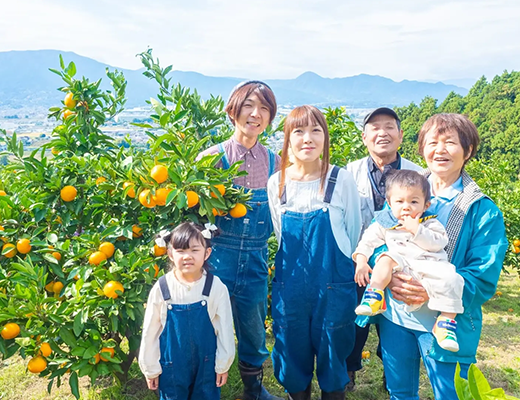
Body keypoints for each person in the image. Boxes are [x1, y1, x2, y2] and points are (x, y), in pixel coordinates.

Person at [380, 113, 508, 399]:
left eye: (449, 142)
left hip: (447, 323)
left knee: (450, 394)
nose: (439, 150)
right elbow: (381, 235)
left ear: (468, 151)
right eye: (432, 142)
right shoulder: (405, 191)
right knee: (399, 391)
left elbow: (482, 276)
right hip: (397, 317)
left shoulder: (481, 210)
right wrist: (386, 274)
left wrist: (430, 291)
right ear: (422, 148)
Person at [267, 105, 361, 400]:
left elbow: (353, 233)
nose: (307, 138)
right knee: (292, 355)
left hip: (333, 285)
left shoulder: (340, 180)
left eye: (315, 131)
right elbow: (281, 234)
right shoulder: (277, 183)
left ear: (325, 137)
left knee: (334, 357)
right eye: (299, 131)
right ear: (287, 139)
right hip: (290, 288)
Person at [198, 81, 283, 400]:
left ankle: (253, 390)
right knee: (207, 327)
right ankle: (206, 388)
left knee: (253, 329)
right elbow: (191, 216)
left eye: (264, 108)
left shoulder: (276, 163)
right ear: (233, 110)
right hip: (217, 257)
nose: (256, 114)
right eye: (249, 105)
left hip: (257, 260)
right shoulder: (212, 159)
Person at [345, 107, 422, 390]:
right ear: (364, 137)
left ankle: (394, 375)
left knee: (398, 324)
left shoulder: (417, 173)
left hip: (404, 263)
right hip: (361, 262)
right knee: (356, 320)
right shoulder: (349, 173)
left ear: (400, 135)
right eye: (375, 128)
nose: (382, 133)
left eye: (389, 127)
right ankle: (350, 368)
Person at [353, 170, 464, 353]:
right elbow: (367, 241)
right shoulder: (385, 223)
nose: (406, 207)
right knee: (385, 259)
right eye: (400, 201)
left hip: (430, 265)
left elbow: (439, 243)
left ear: (425, 204)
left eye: (414, 202)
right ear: (389, 203)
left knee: (453, 279)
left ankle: (445, 322)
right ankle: (375, 294)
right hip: (401, 263)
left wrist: (417, 230)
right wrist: (362, 260)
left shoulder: (430, 223)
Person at [138, 222, 235, 400]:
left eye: (194, 250)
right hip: (172, 366)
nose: (187, 256)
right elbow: (150, 331)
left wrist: (223, 365)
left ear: (207, 253)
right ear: (170, 254)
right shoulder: (162, 288)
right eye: (180, 251)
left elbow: (225, 328)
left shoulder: (215, 287)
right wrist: (150, 368)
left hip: (206, 364)